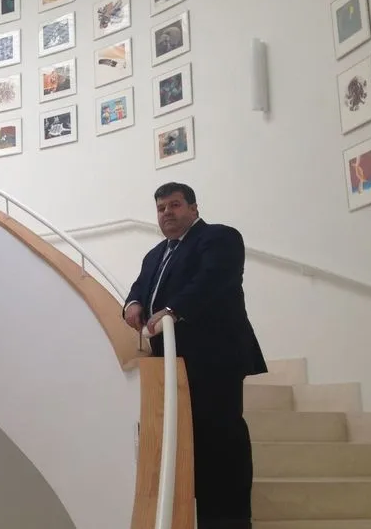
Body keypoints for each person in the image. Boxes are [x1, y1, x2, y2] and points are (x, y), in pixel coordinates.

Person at [123, 182, 267, 529]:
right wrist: (133, 303)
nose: (167, 213)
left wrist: (172, 310)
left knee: (222, 439)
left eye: (175, 205)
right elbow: (140, 287)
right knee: (191, 443)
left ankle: (231, 520)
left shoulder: (219, 237)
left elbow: (213, 280)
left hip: (215, 358)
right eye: (161, 208)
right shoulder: (155, 254)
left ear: (193, 208)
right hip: (173, 363)